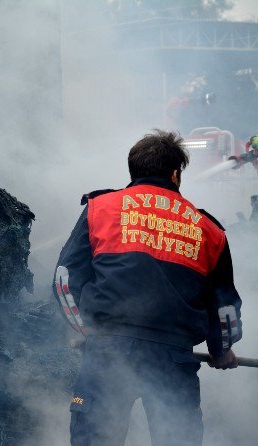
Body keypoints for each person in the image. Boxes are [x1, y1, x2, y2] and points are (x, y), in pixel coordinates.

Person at [53, 130, 243, 446]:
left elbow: (64, 281)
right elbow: (224, 309)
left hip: (109, 352)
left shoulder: (100, 209)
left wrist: (85, 329)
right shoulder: (209, 230)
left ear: (134, 171)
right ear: (175, 174)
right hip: (174, 359)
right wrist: (221, 349)